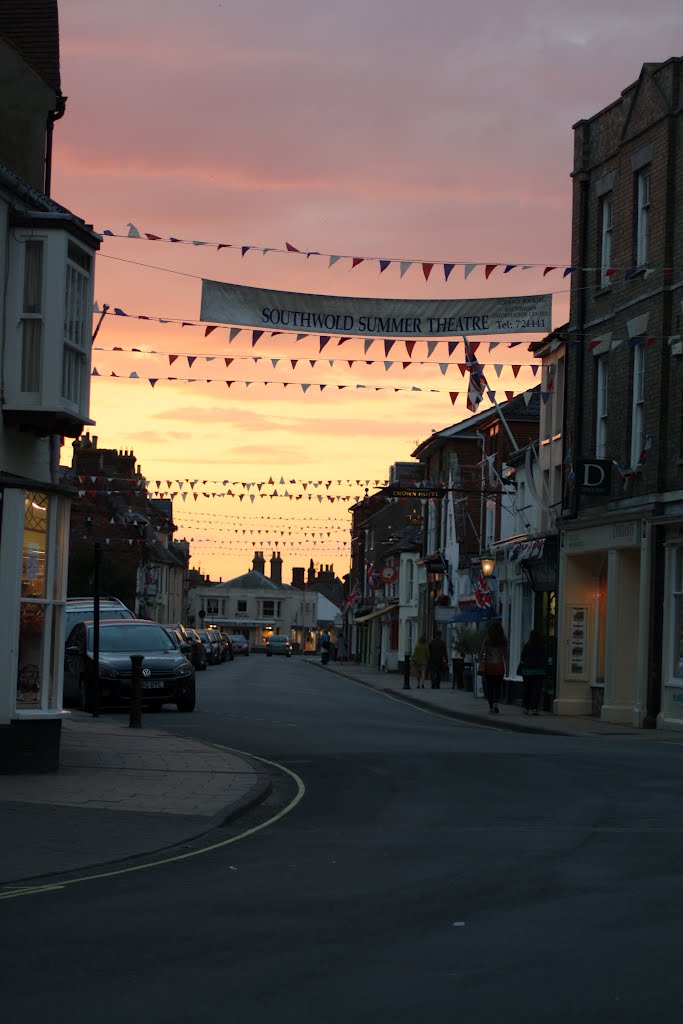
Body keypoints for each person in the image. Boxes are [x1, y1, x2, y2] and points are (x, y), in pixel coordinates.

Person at [480, 619, 508, 713]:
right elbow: (506, 656)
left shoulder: (487, 641)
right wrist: (507, 669)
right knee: (498, 686)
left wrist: (483, 661)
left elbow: (482, 653)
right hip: (499, 666)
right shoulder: (503, 641)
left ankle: (491, 707)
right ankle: (496, 702)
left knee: (490, 687)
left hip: (489, 665)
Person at [518, 629, 545, 715]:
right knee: (536, 690)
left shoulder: (527, 646)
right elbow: (544, 658)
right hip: (538, 671)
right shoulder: (541, 646)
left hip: (527, 671)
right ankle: (535, 708)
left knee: (527, 689)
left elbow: (522, 657)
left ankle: (526, 708)